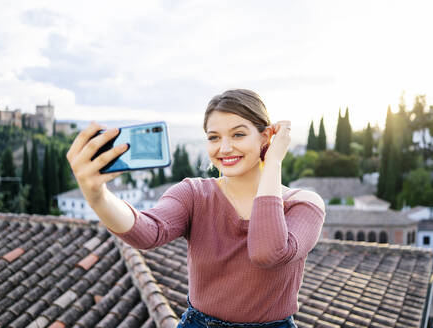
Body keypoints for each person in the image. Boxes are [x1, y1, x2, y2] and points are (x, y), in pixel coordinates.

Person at [66, 89, 326, 328]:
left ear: (266, 136)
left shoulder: (303, 204)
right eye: (214, 137)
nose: (224, 148)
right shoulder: (194, 194)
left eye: (238, 134)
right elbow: (148, 232)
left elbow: (267, 252)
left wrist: (273, 163)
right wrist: (97, 195)